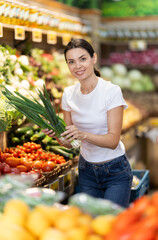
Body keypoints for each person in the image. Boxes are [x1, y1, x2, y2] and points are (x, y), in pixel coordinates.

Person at [43, 39, 133, 208]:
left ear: (94, 58)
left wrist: (82, 134)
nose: (77, 66)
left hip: (115, 171)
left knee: (110, 227)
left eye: (82, 59)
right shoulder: (68, 94)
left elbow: (113, 141)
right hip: (86, 171)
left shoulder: (111, 91)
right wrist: (56, 134)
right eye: (71, 62)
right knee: (90, 227)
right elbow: (69, 144)